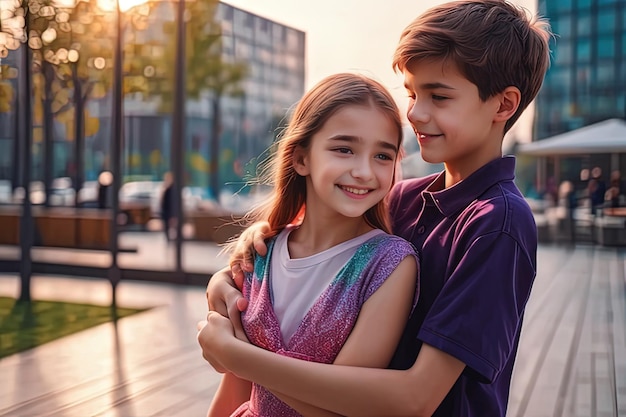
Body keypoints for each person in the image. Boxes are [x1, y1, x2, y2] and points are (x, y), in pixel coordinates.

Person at [198, 1, 551, 416]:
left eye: (439, 96)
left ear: (504, 105)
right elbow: (304, 252)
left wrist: (239, 355)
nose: (416, 113)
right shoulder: (403, 198)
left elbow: (417, 398)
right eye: (413, 93)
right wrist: (229, 275)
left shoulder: (498, 225)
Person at [206, 73, 419, 417]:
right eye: (344, 149)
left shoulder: (390, 264)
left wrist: (238, 355)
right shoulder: (262, 250)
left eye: (383, 156)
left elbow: (342, 408)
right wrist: (236, 359)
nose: (364, 171)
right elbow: (235, 387)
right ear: (302, 158)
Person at [160, 172, 174, 241]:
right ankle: (168, 238)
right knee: (167, 226)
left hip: (168, 210)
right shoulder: (166, 188)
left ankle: (169, 238)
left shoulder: (171, 189)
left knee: (170, 225)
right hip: (166, 210)